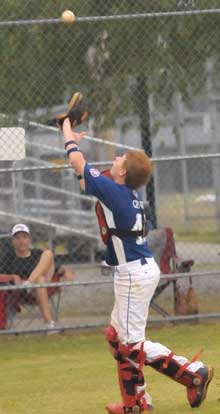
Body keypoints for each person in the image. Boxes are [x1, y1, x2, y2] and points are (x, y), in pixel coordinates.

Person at [61, 118, 213, 413]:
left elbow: (78, 162)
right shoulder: (122, 192)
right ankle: (137, 401)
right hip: (135, 270)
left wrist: (67, 132)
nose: (116, 158)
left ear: (123, 172)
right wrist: (71, 143)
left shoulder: (115, 191)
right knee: (118, 340)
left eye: (121, 159)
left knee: (130, 345)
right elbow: (83, 178)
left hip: (133, 273)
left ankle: (192, 375)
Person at [0, 223, 74, 329]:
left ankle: (30, 282)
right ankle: (50, 324)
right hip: (20, 291)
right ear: (12, 241)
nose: (21, 241)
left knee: (48, 254)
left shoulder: (37, 253)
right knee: (40, 279)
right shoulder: (8, 257)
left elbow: (56, 268)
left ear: (29, 240)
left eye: (25, 237)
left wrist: (65, 270)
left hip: (42, 288)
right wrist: (12, 277)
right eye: (17, 238)